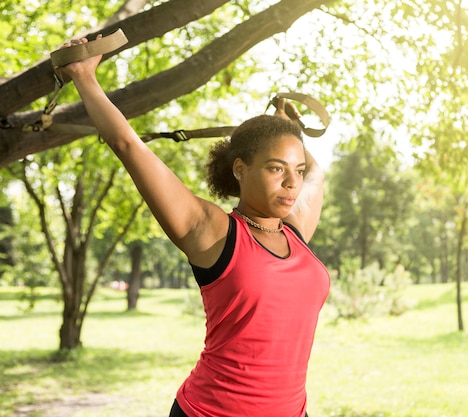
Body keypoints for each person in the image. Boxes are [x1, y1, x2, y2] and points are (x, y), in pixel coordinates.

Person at [59, 36, 330, 417]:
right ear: (240, 168)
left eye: (295, 171)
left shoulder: (296, 232)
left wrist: (285, 130)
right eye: (275, 168)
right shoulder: (213, 232)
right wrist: (84, 75)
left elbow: (315, 172)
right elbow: (127, 145)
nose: (292, 183)